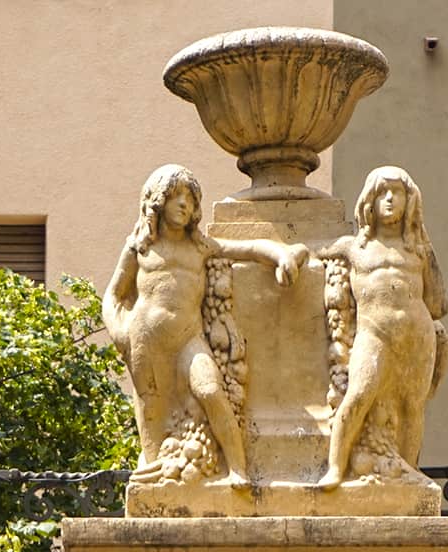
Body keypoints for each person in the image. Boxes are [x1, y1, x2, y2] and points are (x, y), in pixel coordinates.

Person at [103, 164, 308, 485]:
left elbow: (248, 249)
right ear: (158, 201)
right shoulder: (140, 247)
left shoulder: (200, 247)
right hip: (145, 336)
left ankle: (238, 470)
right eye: (176, 196)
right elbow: (113, 295)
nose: (184, 204)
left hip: (188, 338)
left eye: (190, 197)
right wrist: (119, 330)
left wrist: (281, 254)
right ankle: (153, 474)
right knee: (150, 403)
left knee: (211, 390)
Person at [317, 166, 448, 490]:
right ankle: (335, 467)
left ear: (410, 201)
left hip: (417, 335)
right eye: (382, 192)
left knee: (412, 407)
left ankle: (408, 471)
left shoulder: (418, 250)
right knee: (358, 394)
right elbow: (315, 252)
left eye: (398, 192)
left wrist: (425, 245)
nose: (390, 199)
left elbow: (438, 305)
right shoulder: (353, 247)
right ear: (369, 202)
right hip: (374, 333)